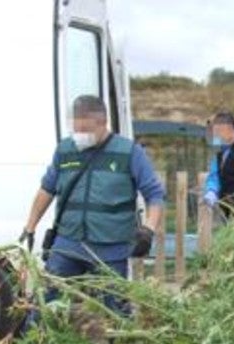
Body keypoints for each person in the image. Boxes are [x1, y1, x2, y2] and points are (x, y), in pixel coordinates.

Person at [20, 95, 164, 313]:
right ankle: (37, 341)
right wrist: (29, 227)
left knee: (114, 309)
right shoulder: (65, 150)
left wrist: (148, 230)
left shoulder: (129, 152)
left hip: (111, 247)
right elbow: (46, 189)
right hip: (68, 243)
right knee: (46, 302)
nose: (79, 136)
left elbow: (154, 195)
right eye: (76, 130)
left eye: (85, 130)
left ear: (103, 123)